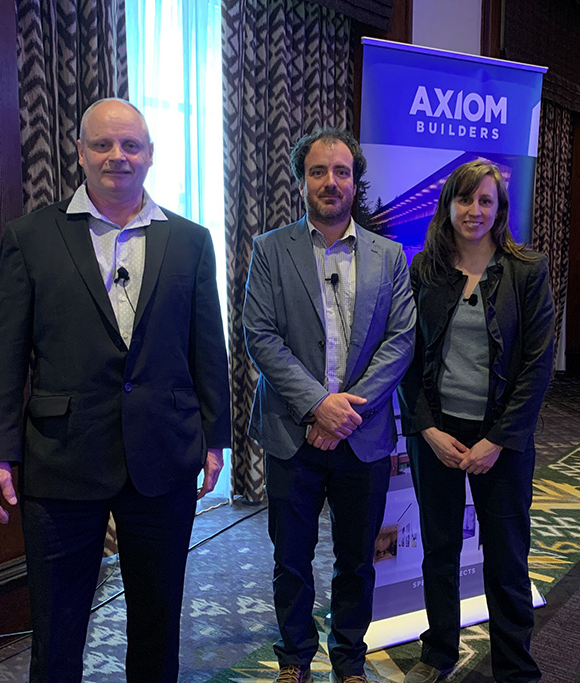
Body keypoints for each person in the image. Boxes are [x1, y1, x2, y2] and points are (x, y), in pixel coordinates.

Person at [0, 98, 230, 683]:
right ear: (80, 152)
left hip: (163, 458)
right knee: (58, 631)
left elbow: (206, 349)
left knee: (158, 624)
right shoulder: (30, 237)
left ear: (149, 156)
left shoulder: (190, 241)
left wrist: (216, 439)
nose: (118, 156)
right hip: (61, 462)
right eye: (103, 145)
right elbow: (5, 355)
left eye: (130, 145)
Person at [242, 128, 415, 683]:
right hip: (293, 434)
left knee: (356, 559)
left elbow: (402, 339)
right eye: (319, 171)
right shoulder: (270, 250)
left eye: (342, 172)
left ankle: (348, 658)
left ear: (355, 183)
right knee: (290, 558)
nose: (331, 182)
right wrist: (319, 406)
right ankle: (294, 657)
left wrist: (347, 413)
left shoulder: (389, 255)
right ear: (302, 180)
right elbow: (260, 335)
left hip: (361, 435)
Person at [398, 161, 555, 683]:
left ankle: (515, 668)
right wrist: (426, 428)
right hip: (437, 433)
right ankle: (439, 651)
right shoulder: (425, 269)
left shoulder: (526, 271)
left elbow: (536, 365)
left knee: (507, 557)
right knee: (438, 550)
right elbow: (407, 357)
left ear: (499, 208)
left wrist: (498, 439)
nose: (475, 211)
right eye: (465, 200)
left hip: (502, 439)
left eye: (485, 201)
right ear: (448, 206)